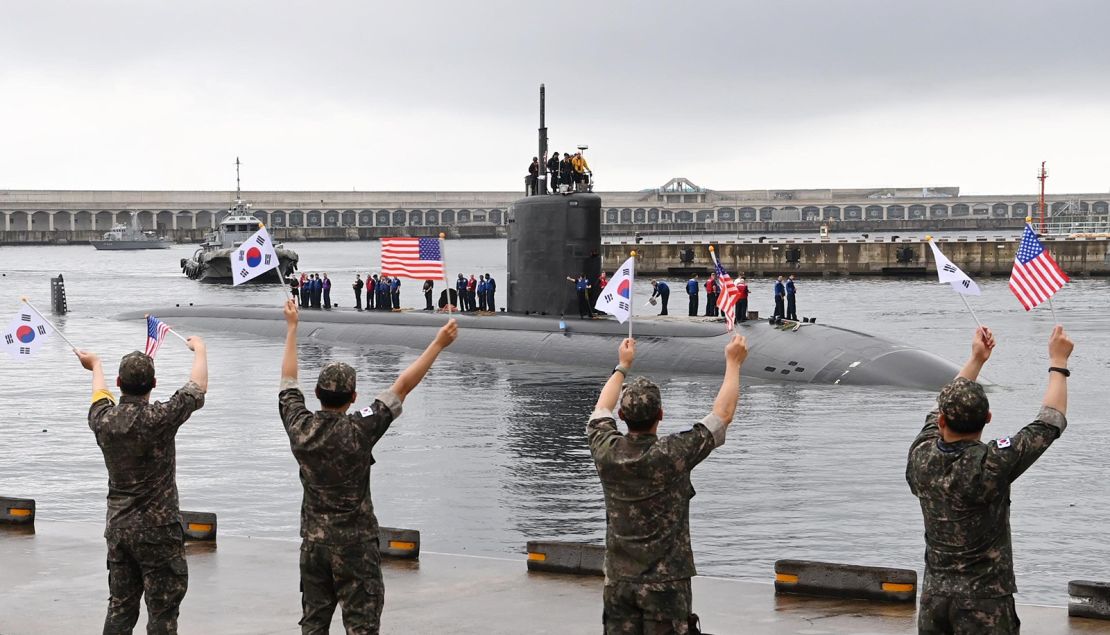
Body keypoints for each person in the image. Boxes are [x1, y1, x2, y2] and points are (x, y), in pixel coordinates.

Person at [279, 299, 458, 633]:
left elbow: (288, 381)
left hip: (314, 545)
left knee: (314, 623)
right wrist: (438, 343)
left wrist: (292, 327)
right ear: (353, 397)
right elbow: (402, 386)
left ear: (317, 394)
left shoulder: (299, 427)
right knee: (362, 626)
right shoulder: (360, 427)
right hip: (355, 547)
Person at [907, 325, 1073, 635]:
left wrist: (976, 360)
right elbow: (1050, 421)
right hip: (985, 603)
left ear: (942, 421)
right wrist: (1058, 361)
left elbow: (937, 408)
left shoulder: (921, 455)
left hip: (934, 600)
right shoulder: (992, 463)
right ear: (988, 418)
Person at [586, 334, 745, 634]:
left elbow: (600, 411)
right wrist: (733, 362)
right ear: (660, 414)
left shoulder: (606, 450)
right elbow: (722, 415)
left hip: (619, 583)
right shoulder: (672, 453)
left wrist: (622, 366)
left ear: (623, 416)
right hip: (666, 587)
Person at [79, 338, 208, 634]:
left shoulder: (103, 420)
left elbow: (99, 396)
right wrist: (200, 350)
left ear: (119, 382)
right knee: (162, 613)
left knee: (121, 607)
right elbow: (197, 387)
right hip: (159, 531)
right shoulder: (159, 418)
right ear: (154, 383)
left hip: (119, 528)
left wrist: (95, 364)